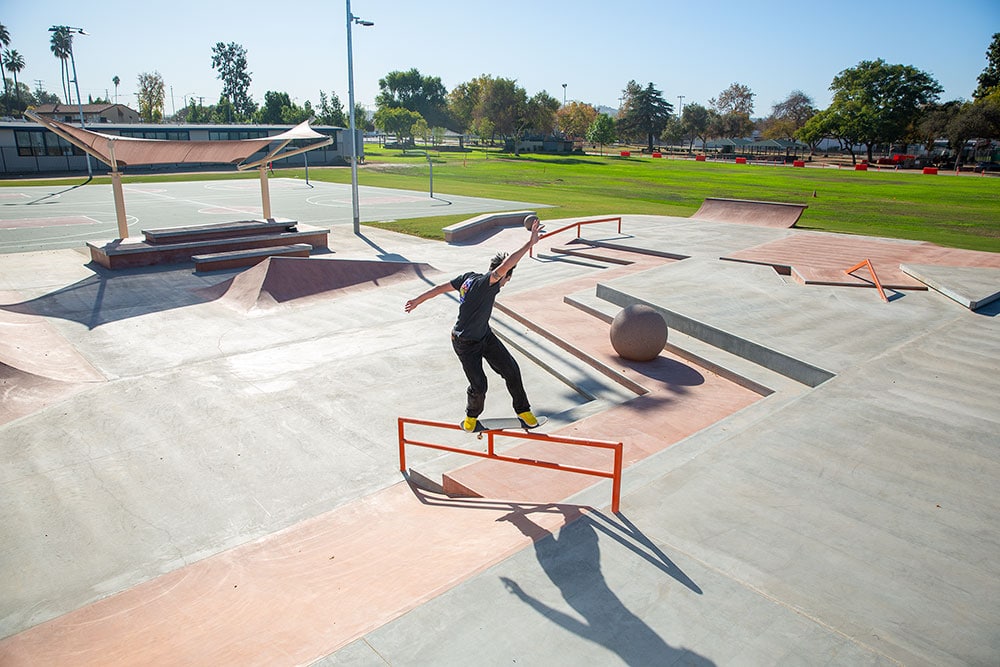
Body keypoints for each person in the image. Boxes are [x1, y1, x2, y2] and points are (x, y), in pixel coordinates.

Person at [405, 218, 544, 432]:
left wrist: (418, 300)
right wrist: (530, 243)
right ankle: (471, 417)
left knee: (511, 369)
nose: (505, 284)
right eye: (506, 280)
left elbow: (440, 288)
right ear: (502, 276)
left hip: (484, 336)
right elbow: (506, 265)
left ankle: (523, 411)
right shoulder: (485, 284)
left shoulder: (469, 278)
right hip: (464, 342)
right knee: (479, 385)